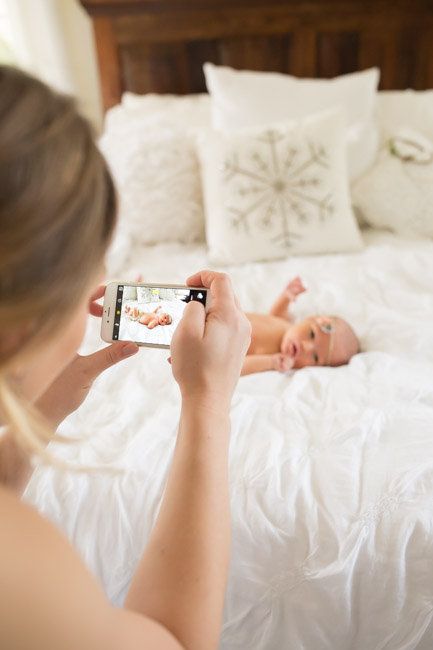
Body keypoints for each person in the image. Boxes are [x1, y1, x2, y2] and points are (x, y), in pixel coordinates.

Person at [0, 66, 251, 650]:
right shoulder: (20, 562)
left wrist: (43, 408)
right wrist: (209, 401)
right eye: (95, 265)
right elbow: (172, 641)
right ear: (25, 320)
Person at [242, 276, 359, 376]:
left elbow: (237, 367)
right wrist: (285, 297)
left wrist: (271, 362)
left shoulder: (277, 358)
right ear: (309, 319)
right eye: (312, 334)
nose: (307, 347)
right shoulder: (286, 325)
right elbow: (275, 316)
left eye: (316, 357)